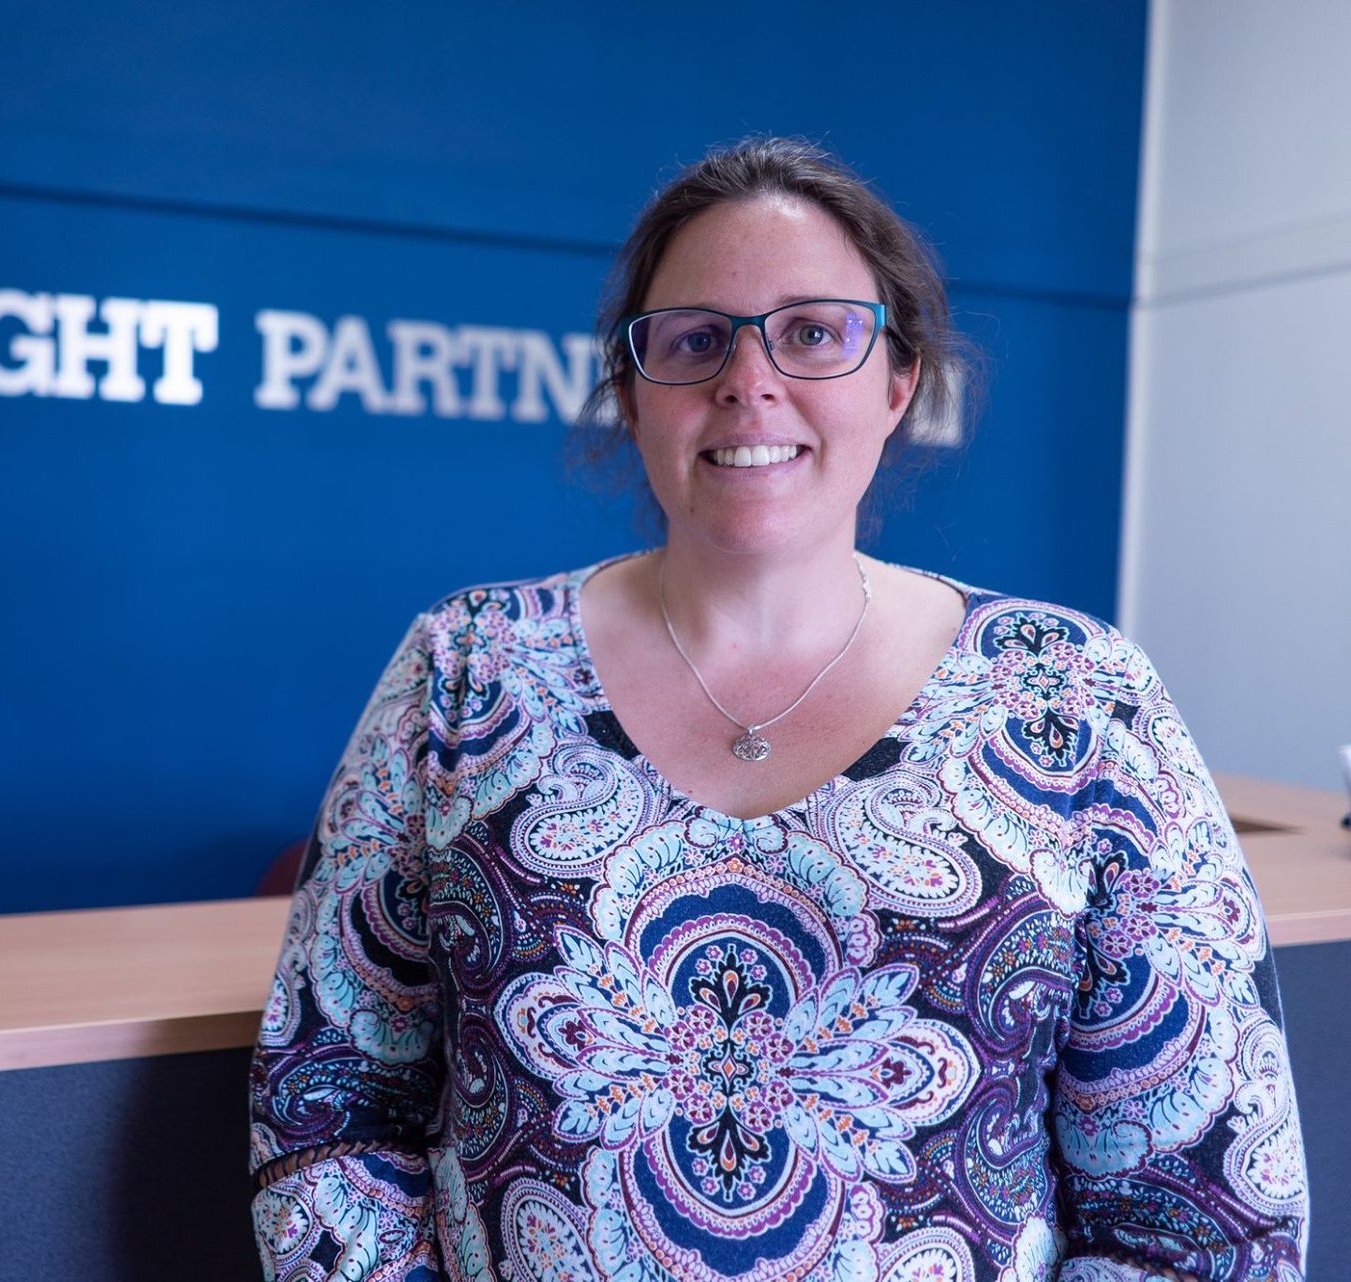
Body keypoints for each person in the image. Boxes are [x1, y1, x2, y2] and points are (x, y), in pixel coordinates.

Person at [248, 137, 1308, 1281]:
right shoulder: (465, 671)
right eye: (695, 338)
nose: (748, 380)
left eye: (811, 332)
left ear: (898, 381)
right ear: (630, 391)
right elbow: (327, 1109)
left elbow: (1202, 1210)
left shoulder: (1077, 697)